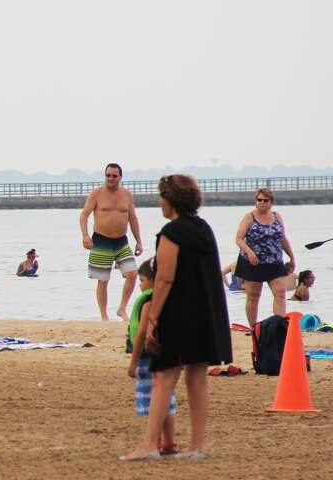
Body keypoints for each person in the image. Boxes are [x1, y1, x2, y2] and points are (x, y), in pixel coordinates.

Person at [121, 175, 231, 462]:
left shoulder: (172, 232)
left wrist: (153, 318)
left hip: (180, 312)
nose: (159, 201)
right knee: (197, 379)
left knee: (163, 378)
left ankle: (149, 445)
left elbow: (165, 279)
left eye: (161, 196)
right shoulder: (204, 229)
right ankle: (195, 446)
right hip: (207, 311)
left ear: (170, 199)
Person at [79, 163, 143, 321]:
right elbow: (84, 214)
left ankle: (122, 309)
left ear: (120, 177)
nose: (111, 178)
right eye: (108, 175)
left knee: (133, 273)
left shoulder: (127, 195)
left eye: (114, 175)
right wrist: (85, 236)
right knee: (103, 280)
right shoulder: (97, 193)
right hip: (101, 240)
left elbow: (132, 218)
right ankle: (104, 316)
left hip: (121, 241)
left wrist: (139, 241)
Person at [127, 259, 178, 456]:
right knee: (168, 400)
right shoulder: (167, 299)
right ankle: (169, 442)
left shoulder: (149, 302)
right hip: (165, 355)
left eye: (142, 280)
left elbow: (141, 333)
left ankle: (154, 441)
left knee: (152, 400)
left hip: (148, 357)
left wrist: (133, 362)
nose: (140, 285)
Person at [233, 188, 296, 329]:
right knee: (254, 296)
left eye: (265, 200)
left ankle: (279, 326)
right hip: (253, 262)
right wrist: (250, 253)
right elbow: (238, 239)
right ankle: (253, 327)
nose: (262, 203)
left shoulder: (277, 216)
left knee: (280, 293)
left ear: (271, 202)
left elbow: (283, 238)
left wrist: (292, 257)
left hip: (275, 262)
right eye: (259, 200)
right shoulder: (249, 217)